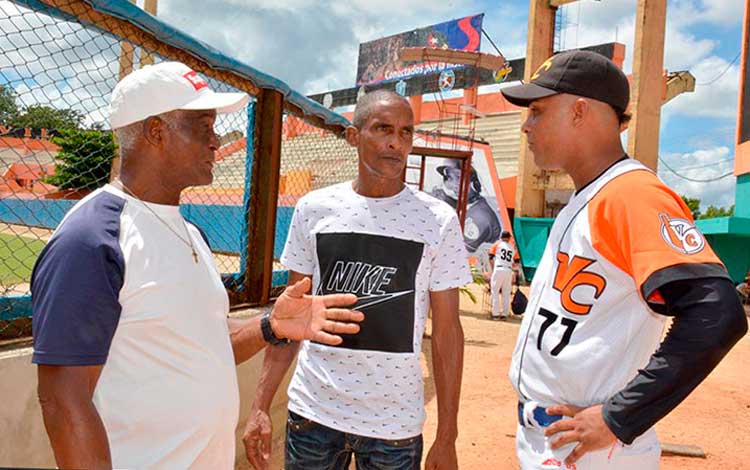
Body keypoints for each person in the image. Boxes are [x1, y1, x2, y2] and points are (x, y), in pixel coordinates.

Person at [30, 62, 364, 470]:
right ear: (156, 132)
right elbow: (63, 401)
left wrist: (269, 326)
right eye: (203, 125)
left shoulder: (191, 233)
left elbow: (205, 347)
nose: (217, 140)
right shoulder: (92, 238)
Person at [500, 50, 748, 469]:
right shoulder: (588, 197)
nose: (527, 125)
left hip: (594, 450)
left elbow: (717, 313)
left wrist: (621, 415)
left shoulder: (630, 194)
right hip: (557, 439)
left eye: (538, 110)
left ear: (580, 111)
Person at [243, 89, 472, 470]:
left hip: (394, 425)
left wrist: (447, 435)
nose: (395, 142)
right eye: (383, 129)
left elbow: (448, 332)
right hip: (313, 413)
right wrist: (260, 405)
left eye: (405, 132)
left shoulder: (438, 220)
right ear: (354, 136)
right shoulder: (314, 210)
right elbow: (291, 317)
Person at [431, 159, 503, 253]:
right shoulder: (467, 205)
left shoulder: (480, 217)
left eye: (459, 177)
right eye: (449, 177)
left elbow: (457, 252)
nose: (454, 185)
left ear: (474, 184)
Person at [489, 231, 515, 320]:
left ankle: (495, 314)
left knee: (495, 291)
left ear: (501, 237)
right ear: (509, 238)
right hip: (508, 270)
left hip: (499, 268)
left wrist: (493, 269)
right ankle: (504, 314)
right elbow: (516, 262)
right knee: (506, 293)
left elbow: (491, 257)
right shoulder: (512, 248)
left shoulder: (497, 245)